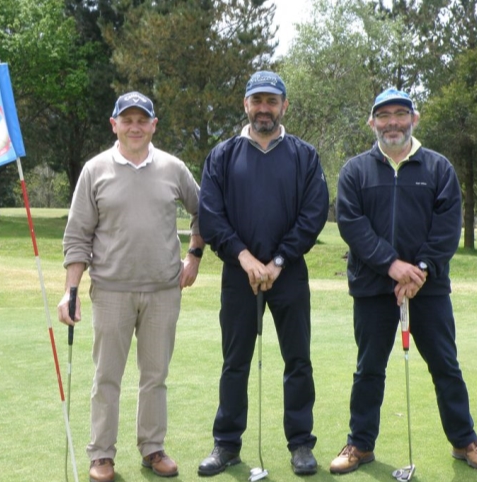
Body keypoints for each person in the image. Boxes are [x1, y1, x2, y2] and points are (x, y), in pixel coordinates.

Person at [330, 88, 477, 474]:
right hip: (373, 287)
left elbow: (446, 228)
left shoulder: (438, 168)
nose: (392, 123)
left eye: (400, 114)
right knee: (368, 368)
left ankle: (464, 440)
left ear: (414, 119)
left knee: (445, 365)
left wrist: (418, 270)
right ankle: (360, 445)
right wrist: (392, 265)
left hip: (429, 288)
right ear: (372, 122)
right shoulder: (355, 171)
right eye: (383, 115)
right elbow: (353, 226)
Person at [57, 91, 205, 481]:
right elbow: (77, 236)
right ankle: (101, 454)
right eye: (128, 120)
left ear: (154, 125)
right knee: (107, 376)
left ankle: (152, 448)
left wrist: (194, 255)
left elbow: (203, 211)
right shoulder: (94, 170)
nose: (135, 127)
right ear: (115, 124)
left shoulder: (173, 168)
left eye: (143, 120)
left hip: (162, 291)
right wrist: (71, 291)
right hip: (111, 291)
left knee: (155, 376)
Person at [197, 71, 329, 477]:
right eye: (257, 100)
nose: (264, 108)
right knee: (235, 361)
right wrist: (245, 259)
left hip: (288, 275)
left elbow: (313, 214)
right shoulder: (222, 155)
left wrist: (277, 261)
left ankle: (301, 443)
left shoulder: (304, 155)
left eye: (272, 101)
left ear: (284, 106)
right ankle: (227, 444)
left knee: (298, 361)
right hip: (240, 276)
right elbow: (211, 215)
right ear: (246, 105)